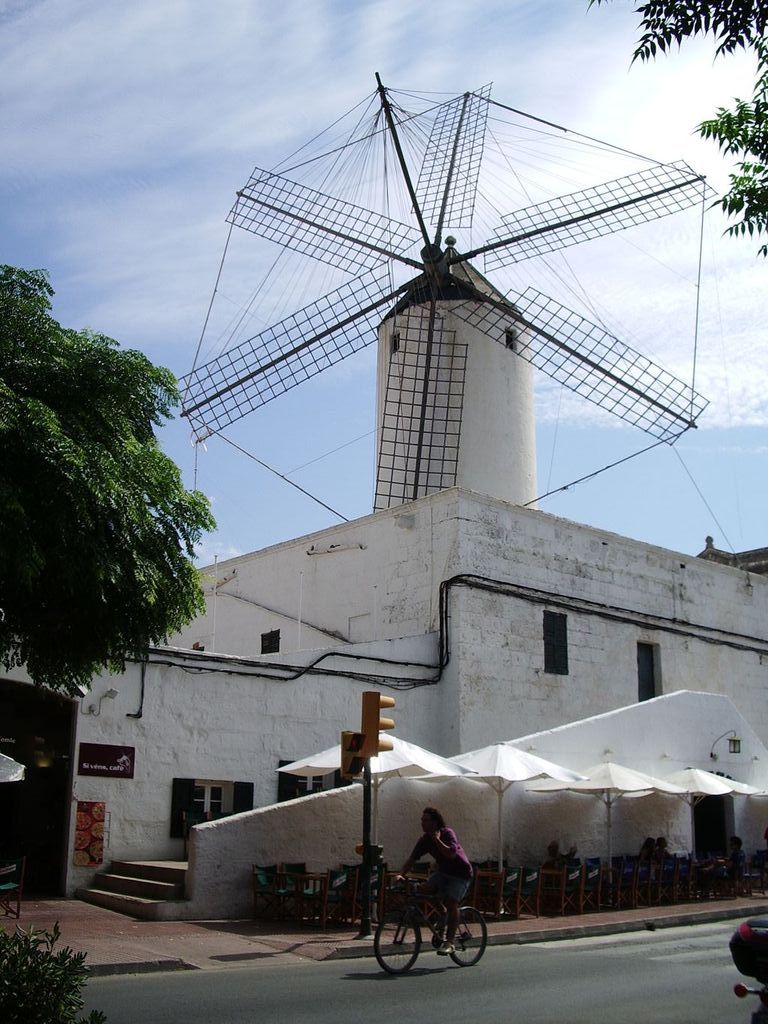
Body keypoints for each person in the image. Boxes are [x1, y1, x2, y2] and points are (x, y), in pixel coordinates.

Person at [397, 806, 473, 956]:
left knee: (452, 902)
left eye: (425, 820)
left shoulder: (447, 833)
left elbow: (451, 854)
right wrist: (401, 874)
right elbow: (412, 859)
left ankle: (449, 942)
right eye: (421, 821)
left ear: (435, 822)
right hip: (444, 873)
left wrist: (436, 839)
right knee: (423, 890)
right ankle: (442, 913)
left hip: (461, 874)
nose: (422, 824)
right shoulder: (424, 840)